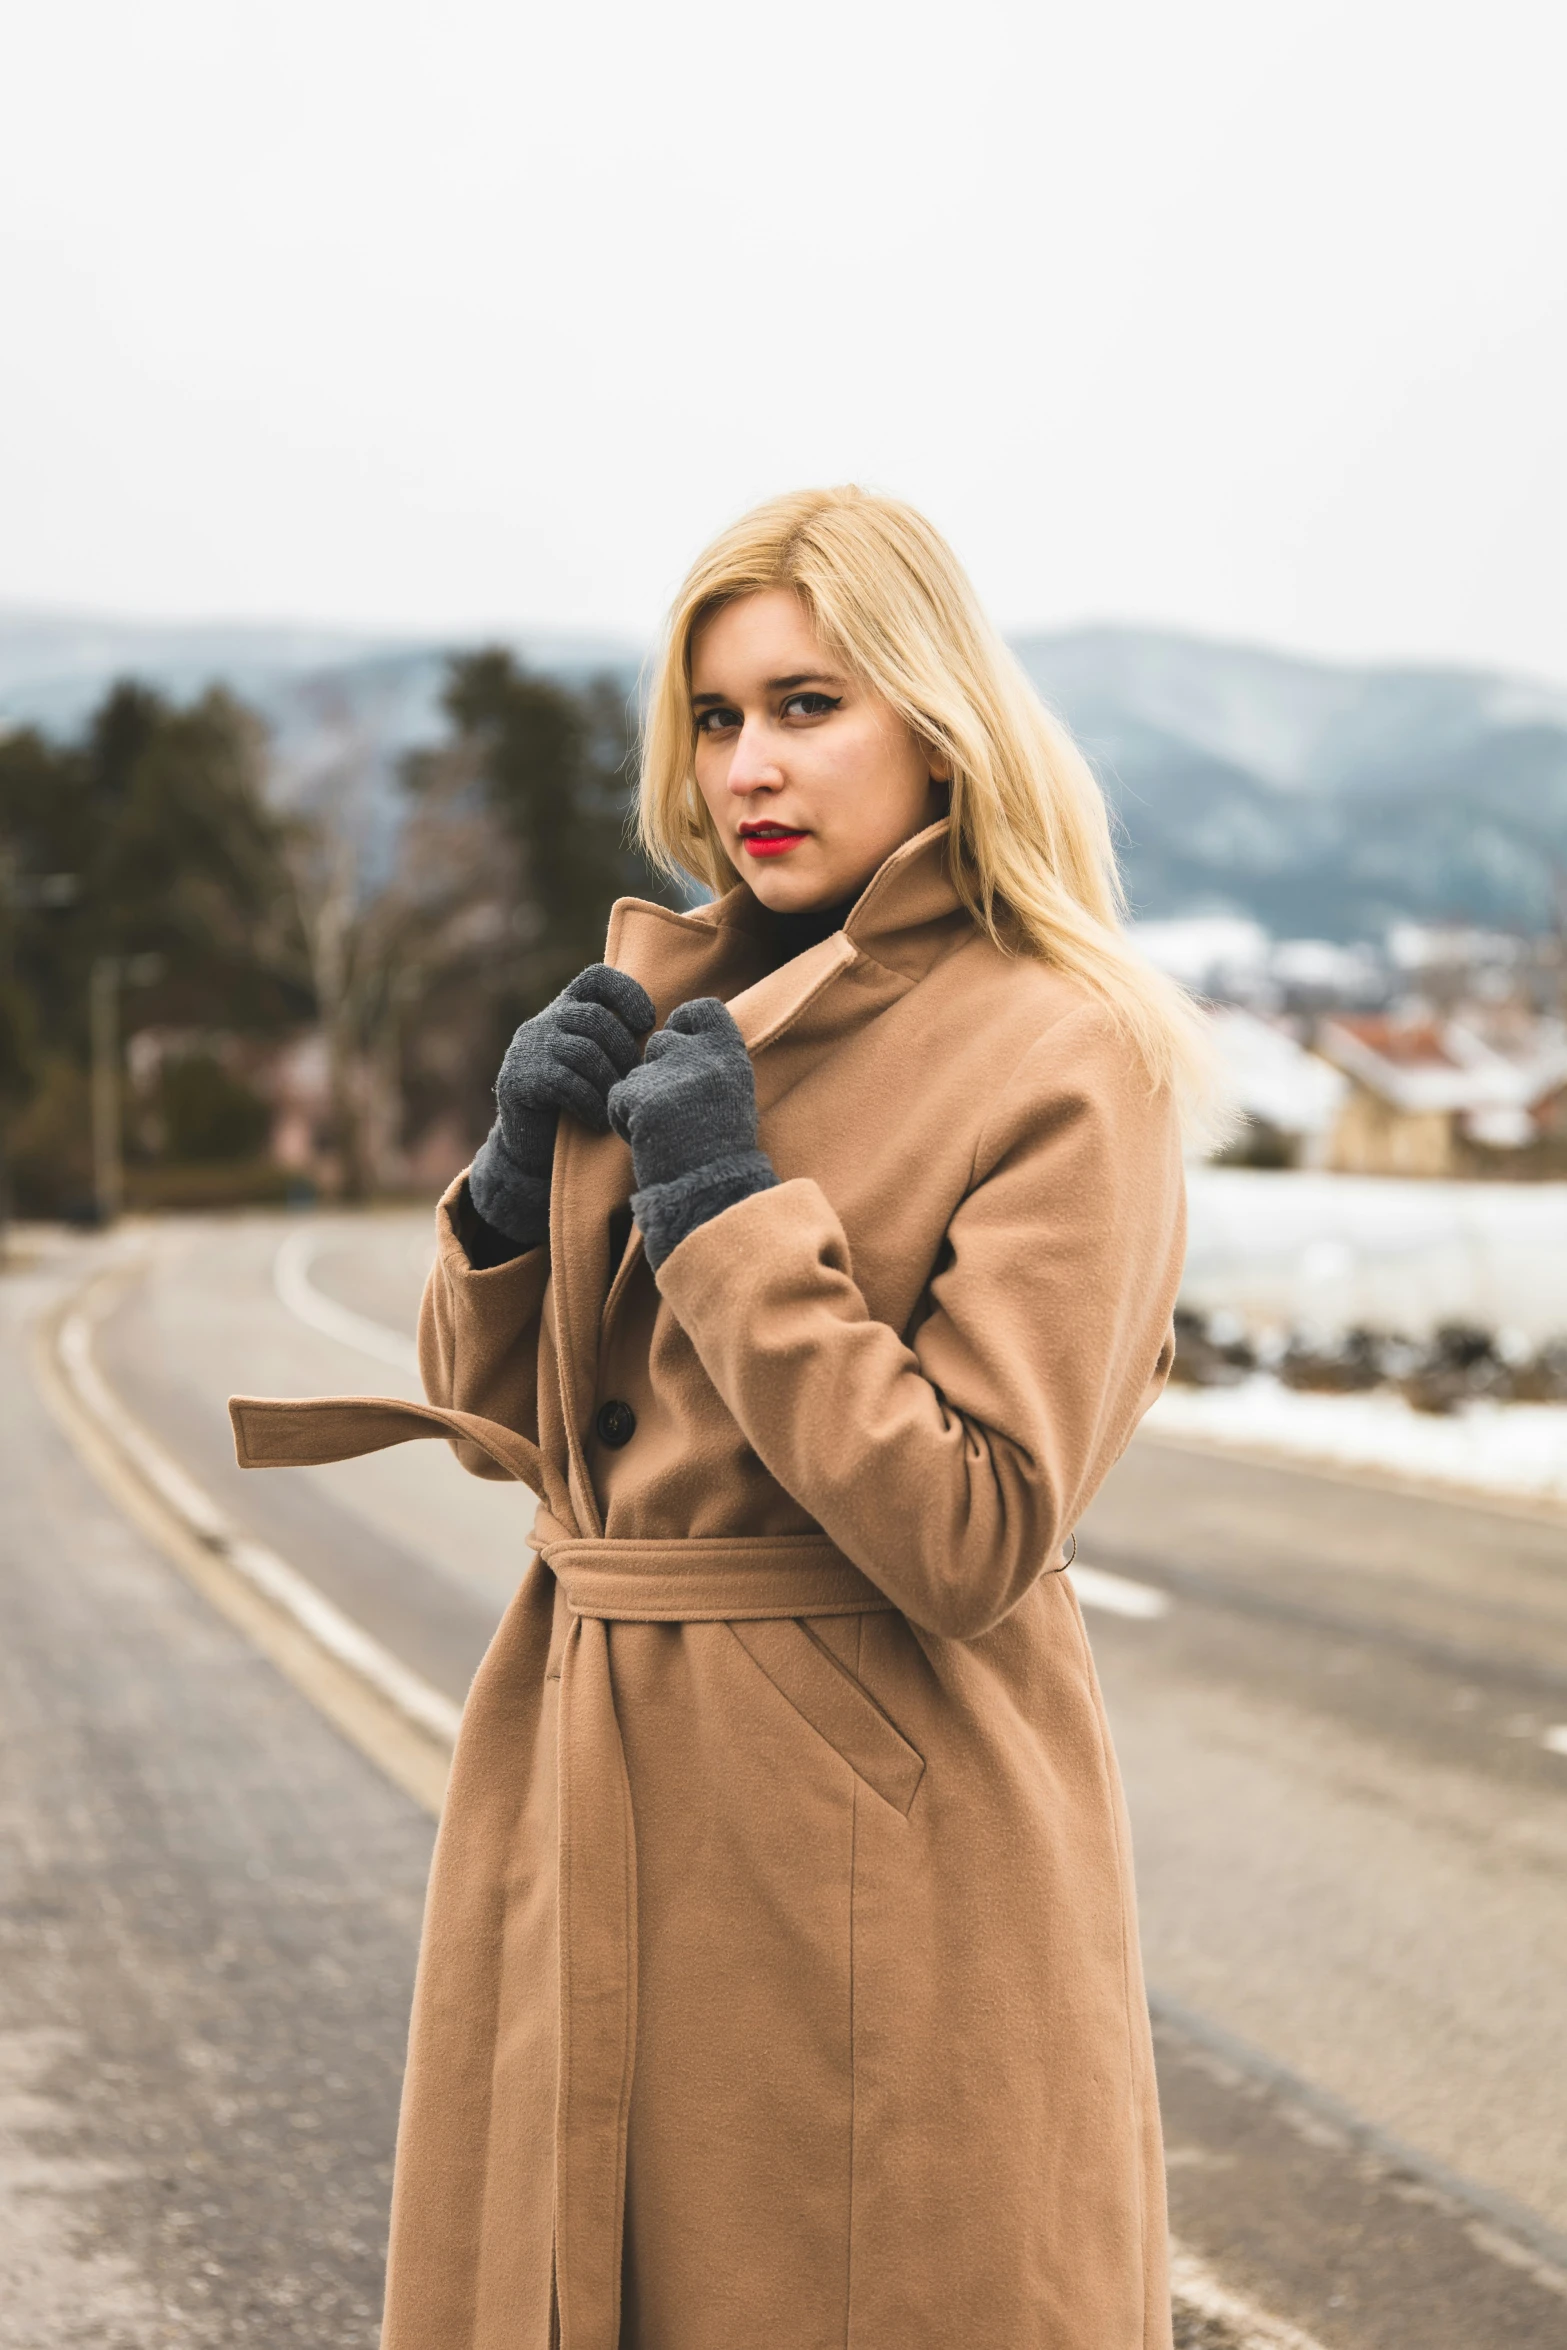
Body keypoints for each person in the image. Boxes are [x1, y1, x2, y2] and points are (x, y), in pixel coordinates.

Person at [231, 485, 1211, 2350]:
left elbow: (974, 1528)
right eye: (714, 715)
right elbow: (493, 1422)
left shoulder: (1064, 1046)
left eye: (806, 703)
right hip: (579, 1762)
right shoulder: (673, 995)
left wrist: (726, 1214)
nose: (748, 763)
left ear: (935, 713)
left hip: (868, 1828)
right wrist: (512, 1195)